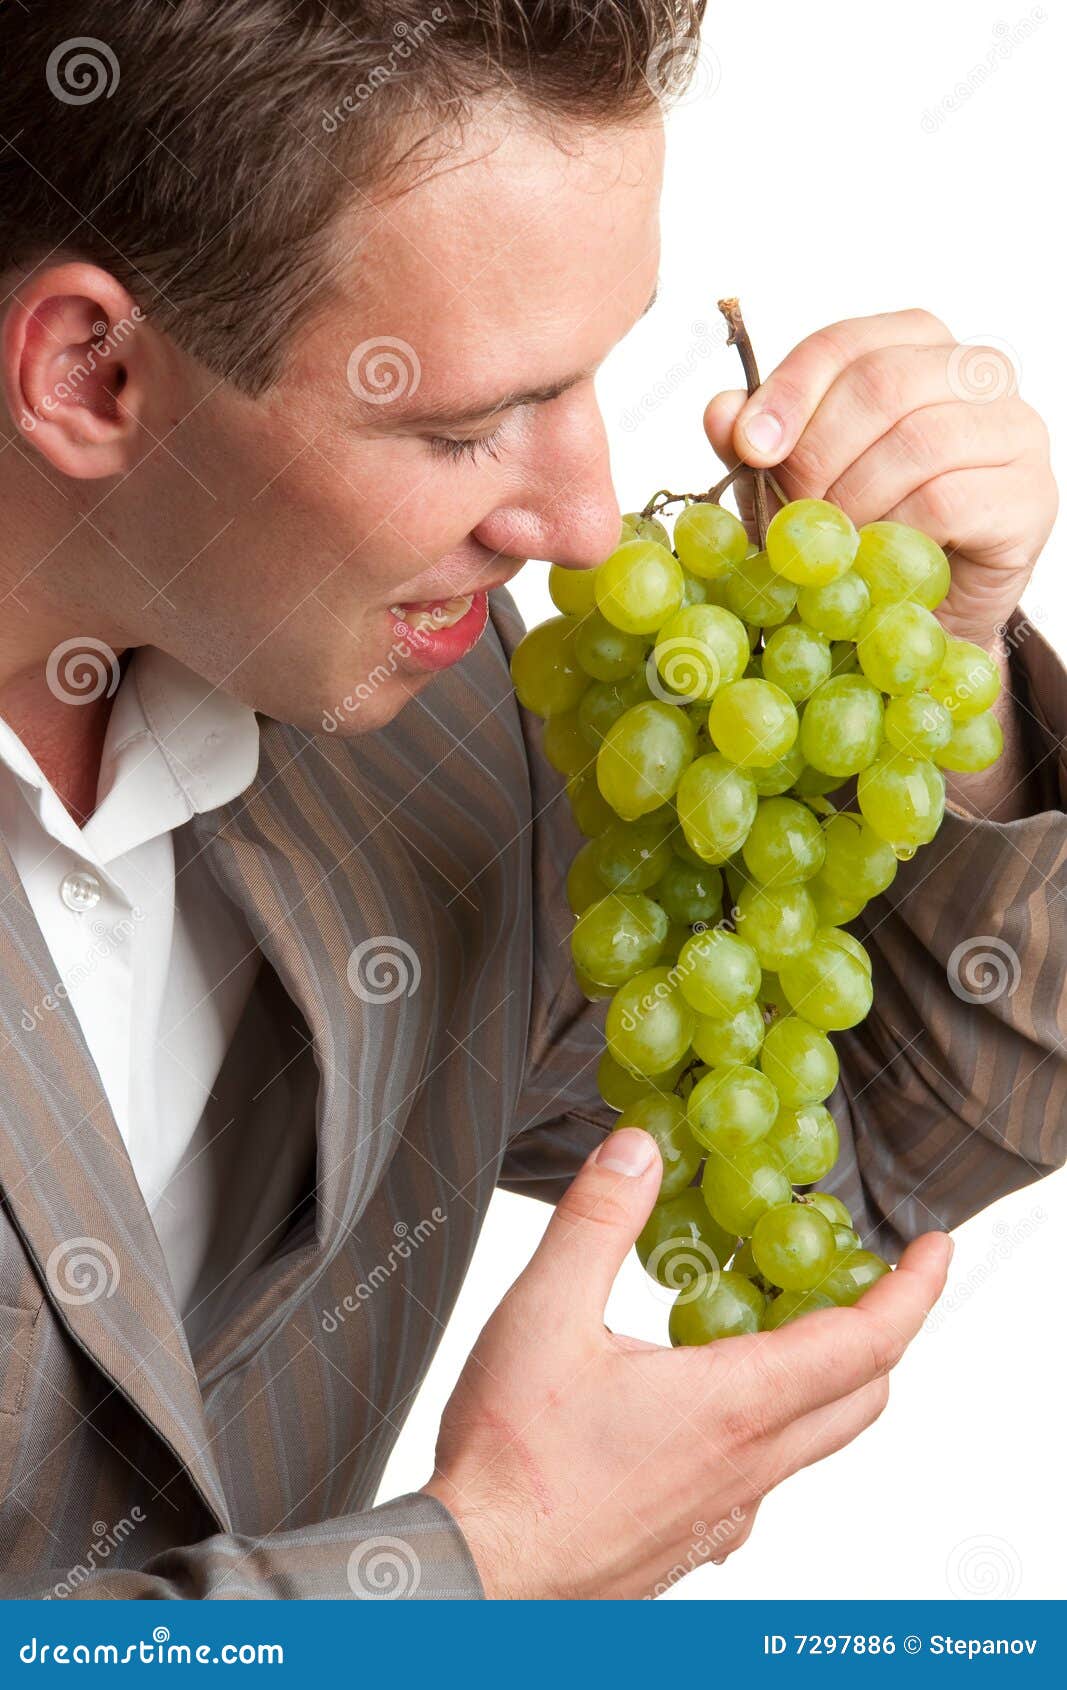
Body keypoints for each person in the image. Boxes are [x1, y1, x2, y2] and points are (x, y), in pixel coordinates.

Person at [0, 2, 1062, 1601]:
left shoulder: (432, 720)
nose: (588, 528)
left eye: (586, 379)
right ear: (92, 372)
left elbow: (838, 1167)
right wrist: (468, 1577)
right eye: (459, 428)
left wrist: (950, 674)